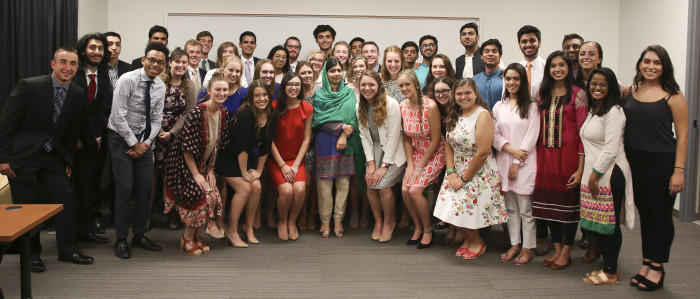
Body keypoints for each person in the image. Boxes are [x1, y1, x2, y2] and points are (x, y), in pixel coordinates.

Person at [0, 47, 94, 270]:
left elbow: (72, 132)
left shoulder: (78, 93)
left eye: (72, 64)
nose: (67, 68)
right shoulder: (29, 86)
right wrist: (3, 159)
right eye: (63, 62)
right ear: (53, 64)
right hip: (24, 156)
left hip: (54, 157)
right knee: (28, 208)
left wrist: (68, 161)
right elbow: (7, 124)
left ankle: (68, 250)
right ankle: (32, 255)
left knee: (67, 198)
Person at [623, 45, 688, 291]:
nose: (651, 66)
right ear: (640, 63)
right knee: (645, 215)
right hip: (635, 161)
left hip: (662, 161)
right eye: (647, 61)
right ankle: (646, 262)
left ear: (664, 67)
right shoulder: (631, 91)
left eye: (657, 62)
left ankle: (658, 268)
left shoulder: (673, 95)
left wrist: (679, 170)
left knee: (660, 216)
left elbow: (682, 136)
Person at [108, 42, 170, 259]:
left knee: (145, 189)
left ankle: (140, 235)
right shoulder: (127, 80)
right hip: (120, 139)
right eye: (151, 59)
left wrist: (145, 143)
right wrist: (134, 144)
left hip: (145, 142)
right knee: (124, 189)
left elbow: (156, 119)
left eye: (160, 62)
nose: (155, 64)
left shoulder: (161, 86)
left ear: (164, 66)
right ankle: (122, 239)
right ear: (144, 59)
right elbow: (118, 116)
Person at [434, 78, 507, 259]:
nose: (463, 97)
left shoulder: (483, 115)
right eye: (459, 93)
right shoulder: (455, 113)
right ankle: (468, 238)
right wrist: (450, 172)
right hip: (456, 169)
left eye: (467, 93)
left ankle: (477, 241)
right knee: (448, 209)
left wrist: (464, 178)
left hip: (477, 170)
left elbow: (482, 152)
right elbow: (449, 144)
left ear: (475, 94)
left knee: (462, 207)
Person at [533, 51, 588, 270]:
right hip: (545, 159)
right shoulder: (542, 93)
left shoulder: (578, 94)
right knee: (549, 208)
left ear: (568, 67)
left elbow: (583, 132)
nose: (557, 69)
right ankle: (556, 249)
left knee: (567, 208)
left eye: (562, 65)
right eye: (553, 66)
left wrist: (581, 167)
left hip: (568, 160)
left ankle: (566, 251)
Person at [580, 67, 635, 285]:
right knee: (599, 223)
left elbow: (611, 149)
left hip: (609, 173)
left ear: (611, 87)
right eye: (594, 83)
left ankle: (611, 272)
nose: (597, 88)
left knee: (609, 224)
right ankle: (607, 267)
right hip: (594, 173)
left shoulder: (614, 112)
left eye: (603, 84)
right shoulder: (595, 110)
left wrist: (594, 176)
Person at [163, 75, 228, 255]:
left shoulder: (224, 113)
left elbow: (217, 146)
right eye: (217, 89)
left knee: (214, 197)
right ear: (209, 91)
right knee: (200, 194)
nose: (221, 93)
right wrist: (197, 174)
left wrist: (211, 170)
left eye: (224, 90)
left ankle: (198, 236)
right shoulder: (196, 113)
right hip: (182, 165)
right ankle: (187, 238)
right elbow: (186, 149)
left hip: (205, 165)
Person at [216, 79, 277, 247]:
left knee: (256, 186)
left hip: (246, 160)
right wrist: (244, 173)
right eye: (257, 95)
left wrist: (258, 171)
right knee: (245, 188)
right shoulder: (245, 114)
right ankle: (232, 230)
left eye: (265, 95)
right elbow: (240, 146)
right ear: (251, 97)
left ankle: (248, 228)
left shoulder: (271, 114)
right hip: (228, 157)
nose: (261, 99)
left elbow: (266, 145)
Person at [312, 58, 365, 238]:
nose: (336, 74)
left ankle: (338, 219)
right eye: (332, 71)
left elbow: (353, 118)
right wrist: (340, 128)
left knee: (343, 182)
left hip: (346, 141)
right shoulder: (318, 95)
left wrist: (344, 134)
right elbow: (318, 120)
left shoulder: (349, 93)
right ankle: (325, 220)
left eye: (338, 70)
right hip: (325, 141)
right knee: (324, 182)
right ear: (325, 74)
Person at [493, 63, 540, 265]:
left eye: (516, 79)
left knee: (525, 210)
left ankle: (528, 248)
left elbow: (531, 137)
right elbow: (494, 135)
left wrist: (515, 161)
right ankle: (514, 244)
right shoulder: (498, 106)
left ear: (523, 81)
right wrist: (510, 150)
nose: (511, 82)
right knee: (510, 209)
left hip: (524, 163)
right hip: (503, 161)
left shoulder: (531, 106)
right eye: (508, 79)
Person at [356, 70, 406, 242]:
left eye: (371, 84)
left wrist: (384, 166)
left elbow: (394, 137)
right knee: (370, 183)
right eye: (363, 84)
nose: (367, 88)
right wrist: (371, 164)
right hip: (374, 151)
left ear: (379, 86)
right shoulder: (359, 105)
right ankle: (378, 221)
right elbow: (364, 136)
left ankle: (388, 221)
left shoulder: (390, 104)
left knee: (383, 186)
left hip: (394, 153)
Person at [72, 33, 112, 245]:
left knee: (90, 186)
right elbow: (72, 112)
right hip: (73, 141)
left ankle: (85, 230)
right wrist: (78, 138)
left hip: (94, 141)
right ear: (82, 51)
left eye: (100, 49)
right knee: (74, 189)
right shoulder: (74, 74)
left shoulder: (104, 77)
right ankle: (72, 233)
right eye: (93, 47)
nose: (97, 52)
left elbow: (103, 110)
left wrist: (96, 135)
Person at [399, 70, 445, 249]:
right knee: (404, 190)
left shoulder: (430, 106)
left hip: (434, 152)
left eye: (407, 84)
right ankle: (417, 227)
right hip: (416, 151)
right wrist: (410, 165)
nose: (404, 88)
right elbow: (406, 138)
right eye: (401, 85)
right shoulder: (402, 106)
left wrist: (419, 168)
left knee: (415, 192)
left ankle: (427, 230)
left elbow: (435, 140)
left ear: (416, 84)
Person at [153, 48, 197, 230]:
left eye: (184, 62)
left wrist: (172, 133)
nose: (180, 65)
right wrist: (160, 131)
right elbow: (153, 109)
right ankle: (147, 216)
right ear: (169, 63)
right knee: (154, 178)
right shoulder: (158, 82)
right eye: (177, 61)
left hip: (178, 136)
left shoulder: (190, 85)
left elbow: (189, 112)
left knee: (174, 178)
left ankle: (173, 216)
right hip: (155, 134)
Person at [267, 73, 313, 241]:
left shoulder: (307, 108)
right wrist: (282, 165)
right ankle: (282, 221)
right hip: (276, 160)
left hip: (296, 160)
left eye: (297, 85)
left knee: (300, 189)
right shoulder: (272, 107)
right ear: (284, 86)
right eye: (290, 84)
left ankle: (292, 222)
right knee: (286, 191)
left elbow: (307, 139)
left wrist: (295, 165)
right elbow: (269, 140)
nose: (294, 88)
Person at [296, 61, 319, 230]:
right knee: (306, 183)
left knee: (316, 184)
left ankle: (312, 213)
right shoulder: (293, 94)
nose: (307, 76)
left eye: (309, 72)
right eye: (303, 73)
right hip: (298, 145)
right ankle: (302, 213)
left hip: (318, 143)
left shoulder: (319, 94)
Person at [517, 25, 546, 103]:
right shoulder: (514, 70)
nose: (528, 44)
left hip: (541, 113)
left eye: (532, 40)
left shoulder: (548, 68)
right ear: (519, 46)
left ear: (539, 43)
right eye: (524, 41)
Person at [472, 39, 504, 108]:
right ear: (481, 56)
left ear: (500, 56)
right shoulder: (474, 80)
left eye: (494, 51)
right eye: (486, 51)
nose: (490, 54)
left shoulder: (506, 78)